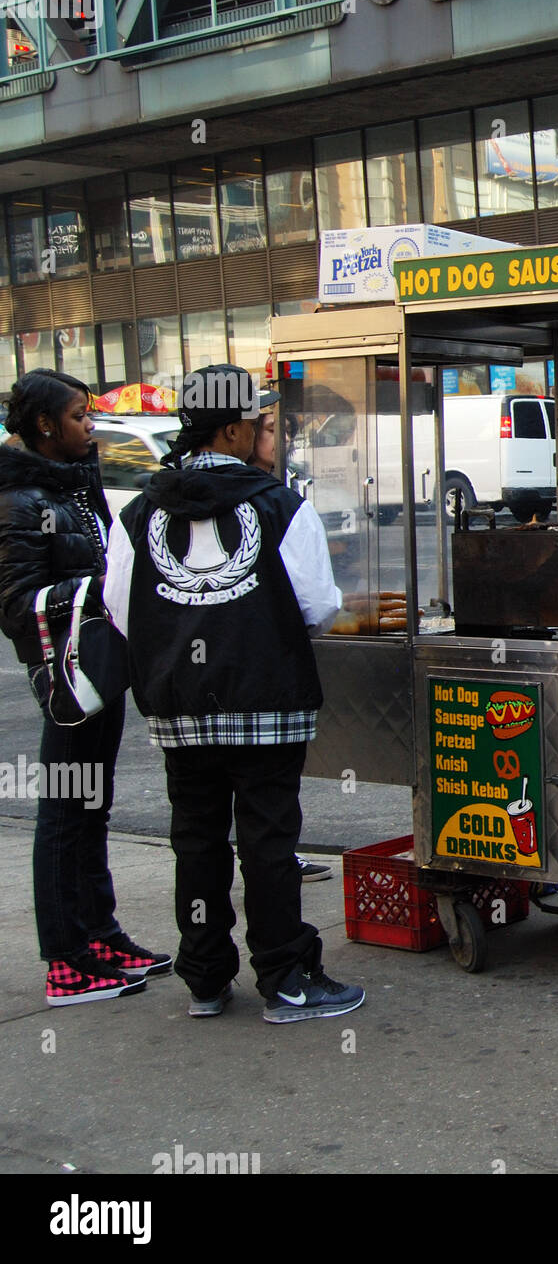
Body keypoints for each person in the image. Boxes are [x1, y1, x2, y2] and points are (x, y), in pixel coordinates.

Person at [104, 364, 363, 1023]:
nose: (262, 431)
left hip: (180, 706)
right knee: (268, 842)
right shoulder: (279, 505)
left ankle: (205, 978)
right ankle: (285, 979)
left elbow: (119, 610)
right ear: (230, 428)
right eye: (255, 420)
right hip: (266, 700)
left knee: (196, 838)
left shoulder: (140, 512)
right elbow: (318, 606)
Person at [0, 369, 171, 1007]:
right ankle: (65, 960)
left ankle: (99, 933)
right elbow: (16, 603)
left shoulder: (74, 481)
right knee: (64, 812)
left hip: (101, 664)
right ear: (45, 425)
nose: (91, 427)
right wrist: (98, 594)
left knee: (90, 807)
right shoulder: (19, 500)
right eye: (80, 417)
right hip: (66, 672)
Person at [250, 405, 331, 883]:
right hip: (265, 674)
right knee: (264, 801)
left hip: (196, 687)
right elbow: (315, 602)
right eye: (267, 430)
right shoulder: (274, 503)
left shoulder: (284, 491)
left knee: (207, 820)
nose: (279, 439)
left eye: (283, 430)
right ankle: (279, 946)